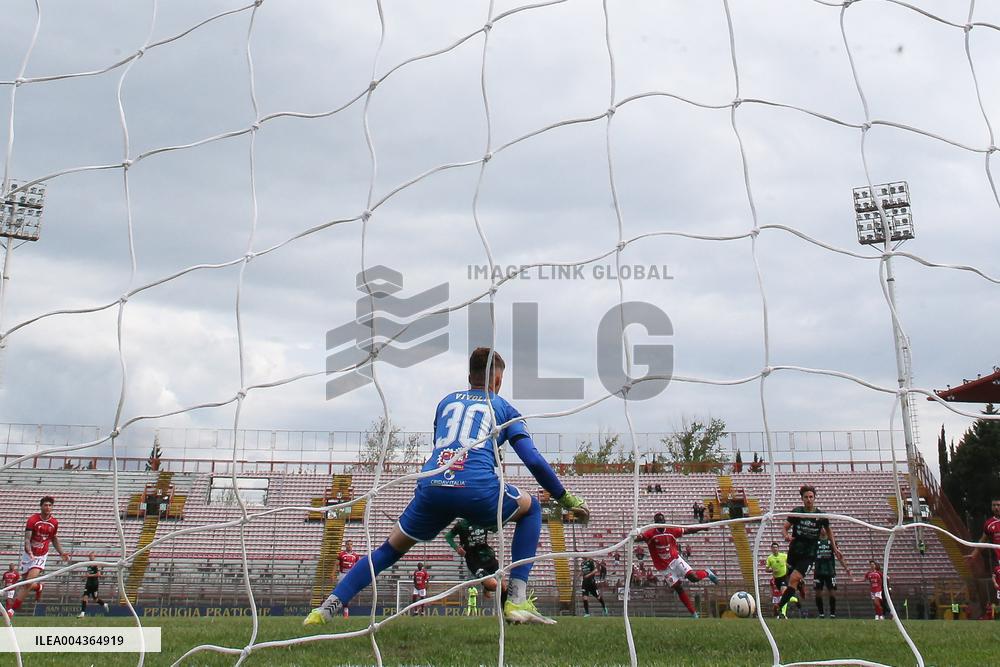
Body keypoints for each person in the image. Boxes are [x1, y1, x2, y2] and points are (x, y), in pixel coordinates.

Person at [304, 348, 587, 626]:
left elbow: (447, 443)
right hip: (477, 489)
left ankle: (326, 609)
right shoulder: (503, 407)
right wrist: (565, 498)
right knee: (532, 508)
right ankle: (516, 599)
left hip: (433, 487)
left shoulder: (445, 402)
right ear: (498, 381)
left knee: (388, 550)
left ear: (469, 376)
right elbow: (533, 460)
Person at [775, 485, 843, 617]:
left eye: (811, 497)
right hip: (794, 551)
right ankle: (800, 584)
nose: (808, 499)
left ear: (814, 498)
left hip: (809, 554)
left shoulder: (820, 515)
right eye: (806, 497)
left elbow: (829, 531)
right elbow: (784, 528)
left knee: (794, 579)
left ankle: (779, 606)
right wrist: (786, 536)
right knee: (791, 580)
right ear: (802, 498)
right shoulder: (797, 512)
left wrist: (834, 548)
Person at [637, 512, 717, 618]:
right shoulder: (650, 533)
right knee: (678, 588)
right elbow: (639, 538)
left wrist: (702, 528)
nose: (661, 523)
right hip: (664, 568)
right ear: (655, 523)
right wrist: (634, 535)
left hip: (675, 560)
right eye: (658, 521)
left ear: (665, 521)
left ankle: (706, 573)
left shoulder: (671, 530)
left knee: (693, 578)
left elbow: (688, 530)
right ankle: (694, 613)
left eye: (662, 520)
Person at [10, 496, 70, 615]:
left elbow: (53, 538)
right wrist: (30, 551)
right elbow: (27, 539)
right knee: (26, 583)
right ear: (41, 506)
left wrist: (61, 552)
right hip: (29, 555)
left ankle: (12, 610)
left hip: (41, 556)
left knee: (27, 583)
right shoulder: (33, 519)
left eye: (50, 505)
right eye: (46, 505)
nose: (48, 507)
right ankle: (38, 587)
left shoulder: (54, 522)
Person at [444, 518, 506, 604]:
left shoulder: (483, 520)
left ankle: (506, 612)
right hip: (474, 561)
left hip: (488, 556)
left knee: (503, 587)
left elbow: (495, 528)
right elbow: (448, 536)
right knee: (494, 585)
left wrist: (505, 518)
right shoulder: (462, 524)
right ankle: (487, 587)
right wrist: (456, 548)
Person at [813, 527, 850, 618]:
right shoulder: (815, 542)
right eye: (820, 528)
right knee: (818, 593)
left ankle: (832, 614)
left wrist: (846, 568)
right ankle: (821, 614)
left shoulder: (831, 541)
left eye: (824, 528)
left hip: (830, 571)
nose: (822, 530)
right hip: (818, 571)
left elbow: (839, 555)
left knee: (832, 593)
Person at [965, 498, 1000, 567]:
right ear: (991, 507)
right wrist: (973, 555)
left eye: (998, 505)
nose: (996, 507)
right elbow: (982, 541)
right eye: (994, 505)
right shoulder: (989, 524)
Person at [78, 552, 110, 618]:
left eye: (92, 556)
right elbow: (88, 574)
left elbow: (98, 574)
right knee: (85, 597)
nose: (91, 557)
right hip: (88, 583)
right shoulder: (88, 565)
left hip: (94, 584)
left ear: (94, 557)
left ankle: (104, 604)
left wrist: (89, 575)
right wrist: (84, 577)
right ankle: (82, 614)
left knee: (95, 599)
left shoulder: (96, 565)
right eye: (90, 556)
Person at [764, 542, 789, 618]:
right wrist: (772, 570)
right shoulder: (770, 558)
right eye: (773, 547)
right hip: (776, 579)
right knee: (784, 596)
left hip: (784, 577)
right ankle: (779, 610)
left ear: (778, 548)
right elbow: (766, 569)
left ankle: (783, 613)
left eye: (776, 547)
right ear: (771, 549)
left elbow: (790, 563)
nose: (775, 549)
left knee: (784, 594)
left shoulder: (784, 556)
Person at [336, 541, 360, 618]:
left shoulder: (355, 556)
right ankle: (336, 609)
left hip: (350, 575)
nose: (349, 546)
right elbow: (336, 564)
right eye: (348, 544)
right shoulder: (341, 554)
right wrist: (333, 574)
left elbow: (357, 566)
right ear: (345, 545)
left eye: (351, 544)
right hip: (342, 575)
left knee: (348, 593)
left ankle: (346, 611)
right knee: (339, 592)